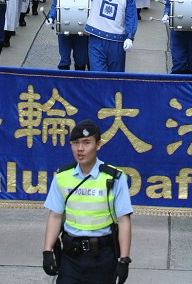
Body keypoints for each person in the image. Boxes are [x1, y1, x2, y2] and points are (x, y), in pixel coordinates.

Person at [43, 119, 132, 284]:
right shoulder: (62, 177)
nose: (80, 149)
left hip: (103, 256)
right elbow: (55, 216)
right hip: (71, 256)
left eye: (86, 143)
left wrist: (124, 260)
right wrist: (47, 251)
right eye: (75, 143)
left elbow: (123, 220)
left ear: (98, 145)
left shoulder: (114, 178)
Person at [45, 0, 89, 71]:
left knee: (81, 60)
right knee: (64, 59)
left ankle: (78, 80)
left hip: (82, 32)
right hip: (64, 29)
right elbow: (55, 5)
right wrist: (51, 18)